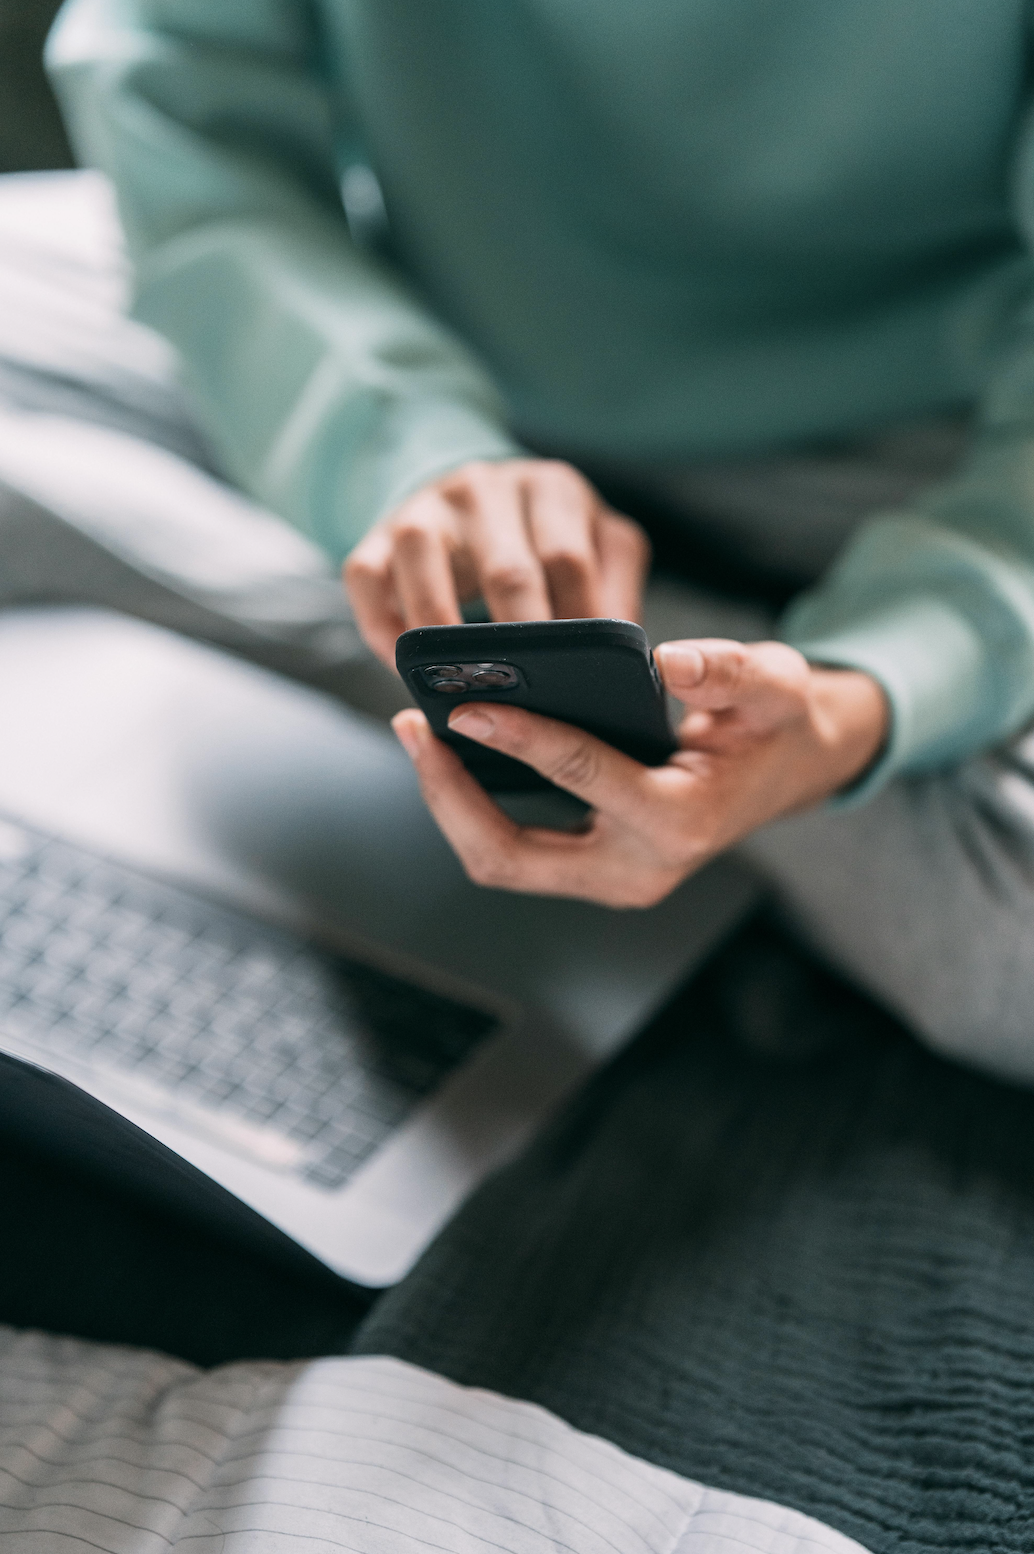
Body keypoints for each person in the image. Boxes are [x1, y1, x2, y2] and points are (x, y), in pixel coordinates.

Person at [45, 0, 1034, 1080]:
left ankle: (496, 663)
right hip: (407, 338)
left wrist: (862, 698)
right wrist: (402, 450)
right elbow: (167, 81)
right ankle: (608, 694)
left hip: (927, 444)